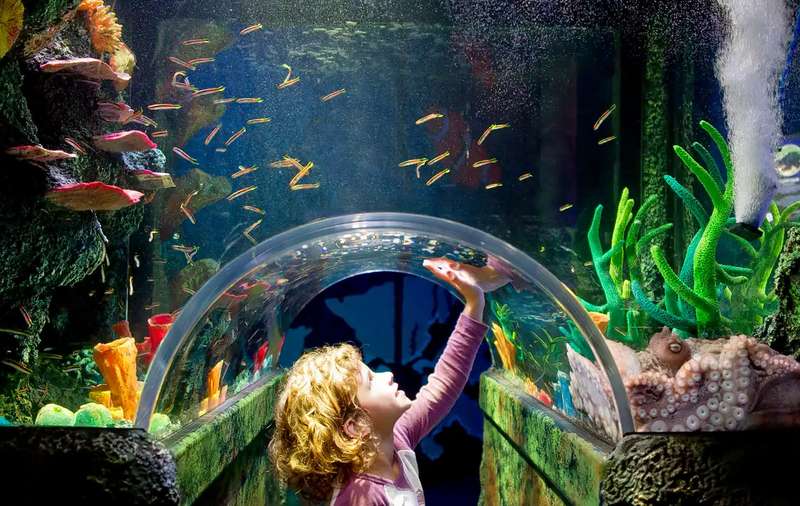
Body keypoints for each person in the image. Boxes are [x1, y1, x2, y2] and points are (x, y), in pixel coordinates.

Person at [269, 257, 513, 505]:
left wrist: (474, 302)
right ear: (355, 426)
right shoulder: (361, 498)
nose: (387, 375)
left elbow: (443, 384)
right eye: (371, 380)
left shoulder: (396, 439)